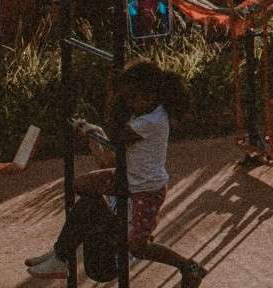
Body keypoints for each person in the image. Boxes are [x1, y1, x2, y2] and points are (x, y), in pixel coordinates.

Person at [23, 59, 206, 285]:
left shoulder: (150, 121)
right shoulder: (141, 112)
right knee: (80, 185)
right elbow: (107, 159)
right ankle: (61, 253)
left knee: (138, 248)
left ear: (150, 95)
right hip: (127, 177)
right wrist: (93, 133)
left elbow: (112, 149)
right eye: (127, 97)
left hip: (146, 190)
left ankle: (188, 266)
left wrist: (95, 131)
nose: (128, 103)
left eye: (133, 98)